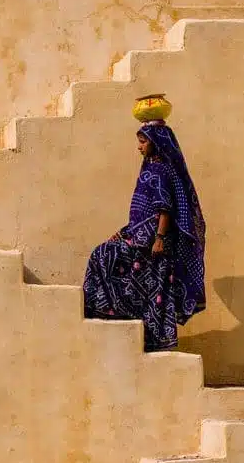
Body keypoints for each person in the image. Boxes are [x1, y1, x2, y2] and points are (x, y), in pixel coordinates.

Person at [82, 121, 206, 351]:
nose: (139, 147)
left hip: (151, 245)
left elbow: (164, 209)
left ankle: (111, 312)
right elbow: (141, 214)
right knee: (102, 253)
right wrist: (121, 233)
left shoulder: (161, 171)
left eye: (142, 141)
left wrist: (158, 239)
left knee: (102, 255)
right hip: (138, 237)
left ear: (156, 142)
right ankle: (110, 311)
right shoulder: (150, 169)